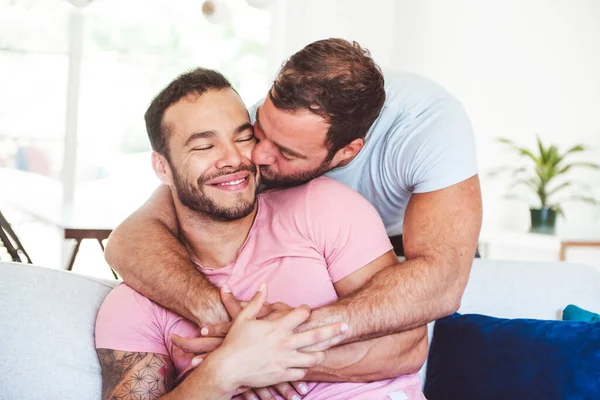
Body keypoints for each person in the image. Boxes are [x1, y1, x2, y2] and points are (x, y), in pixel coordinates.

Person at [106, 37, 481, 365]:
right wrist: (224, 319)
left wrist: (281, 340)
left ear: (346, 152)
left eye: (285, 151)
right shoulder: (256, 126)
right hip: (308, 253)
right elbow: (127, 240)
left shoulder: (427, 126)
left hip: (400, 251)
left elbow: (442, 281)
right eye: (258, 132)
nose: (258, 156)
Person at [95, 68, 427, 399]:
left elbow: (408, 345)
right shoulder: (137, 302)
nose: (233, 159)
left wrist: (277, 356)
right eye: (204, 147)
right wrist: (225, 370)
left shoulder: (324, 208)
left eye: (243, 138)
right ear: (162, 167)